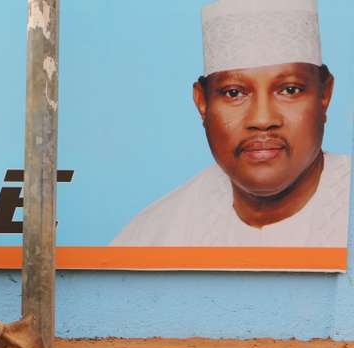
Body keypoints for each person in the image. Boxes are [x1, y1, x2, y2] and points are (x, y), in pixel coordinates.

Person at [111, 0, 351, 247]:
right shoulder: (154, 236)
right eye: (234, 93)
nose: (262, 119)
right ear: (202, 102)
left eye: (289, 90)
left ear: (325, 95)